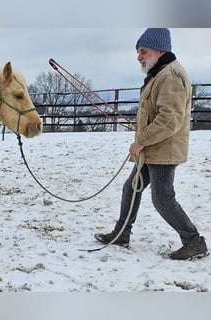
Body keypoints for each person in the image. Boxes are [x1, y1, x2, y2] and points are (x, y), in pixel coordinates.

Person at [94, 28, 208, 260]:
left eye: (143, 51)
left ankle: (194, 242)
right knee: (131, 188)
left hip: (163, 150)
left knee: (163, 198)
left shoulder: (170, 76)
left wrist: (141, 140)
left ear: (159, 50)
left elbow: (170, 118)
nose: (139, 57)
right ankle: (122, 234)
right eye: (138, 52)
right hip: (153, 149)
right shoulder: (159, 73)